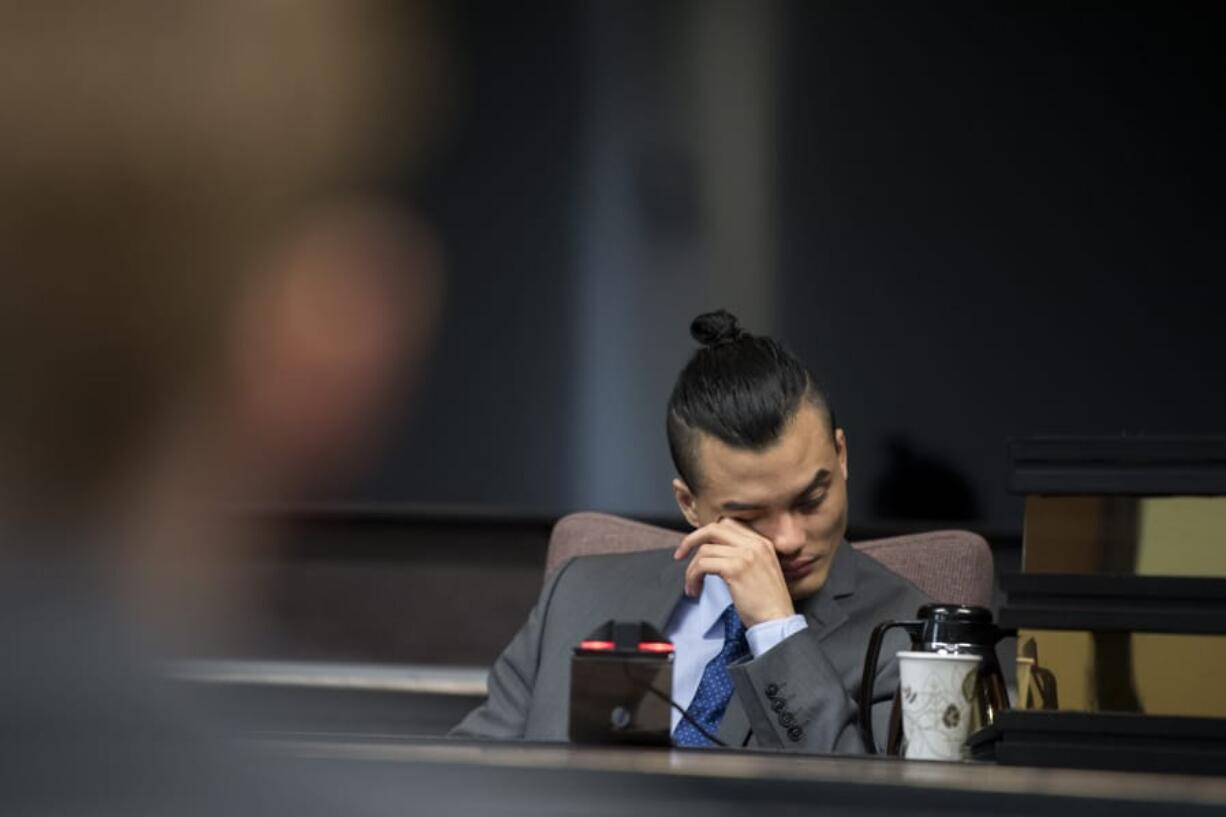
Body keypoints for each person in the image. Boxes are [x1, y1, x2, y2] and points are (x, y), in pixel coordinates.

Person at [453, 310, 930, 752]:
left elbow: (860, 803)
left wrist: (776, 632)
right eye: (748, 517)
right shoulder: (578, 594)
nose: (787, 539)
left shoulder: (908, 634)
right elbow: (466, 776)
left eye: (811, 500)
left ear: (841, 457)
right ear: (690, 505)